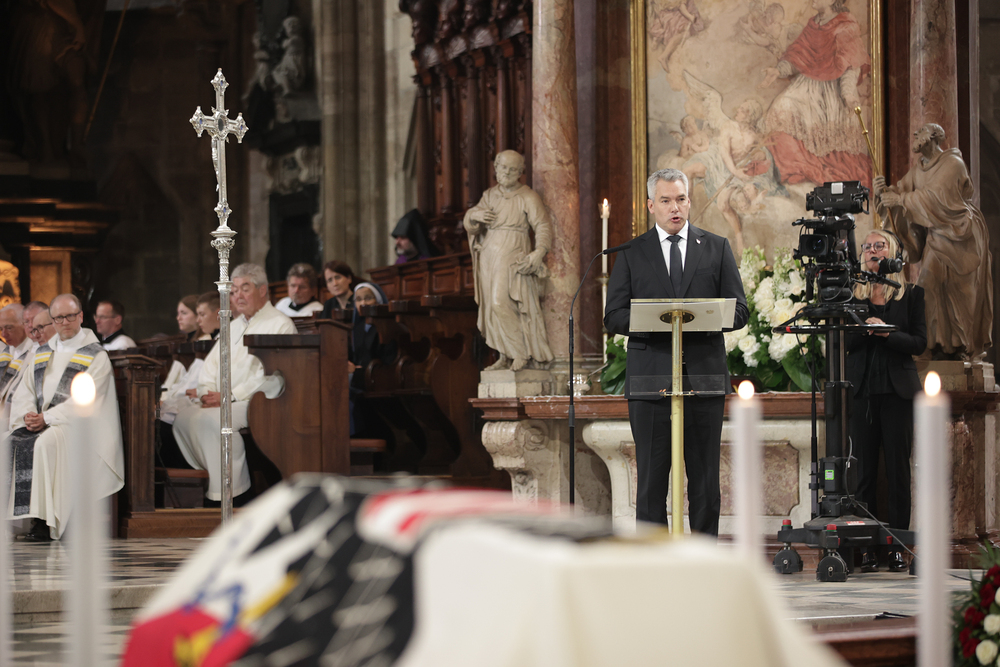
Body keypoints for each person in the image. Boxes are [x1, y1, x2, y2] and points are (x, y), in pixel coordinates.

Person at [604, 168, 749, 535]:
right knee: (651, 485)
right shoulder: (632, 252)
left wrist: (702, 318)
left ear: (689, 202)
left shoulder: (716, 247)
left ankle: (703, 559)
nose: (675, 208)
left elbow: (740, 310)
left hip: (703, 378)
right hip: (650, 381)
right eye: (666, 200)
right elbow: (614, 315)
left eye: (681, 199)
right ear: (651, 205)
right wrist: (655, 320)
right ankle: (655, 562)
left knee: (705, 483)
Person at [171, 264, 296, 506]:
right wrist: (206, 392)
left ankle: (235, 495)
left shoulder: (280, 324)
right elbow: (210, 366)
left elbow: (274, 376)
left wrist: (229, 396)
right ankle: (216, 482)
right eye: (234, 290)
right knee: (183, 417)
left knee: (216, 421)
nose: (238, 296)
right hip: (226, 399)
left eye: (245, 289)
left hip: (260, 402)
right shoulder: (233, 326)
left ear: (262, 290)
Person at [7, 294, 124, 541]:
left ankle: (45, 522)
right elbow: (25, 391)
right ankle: (18, 520)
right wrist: (28, 416)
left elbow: (88, 400)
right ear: (53, 320)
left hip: (79, 427)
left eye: (70, 316)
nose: (64, 322)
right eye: (58, 318)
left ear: (80, 316)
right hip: (44, 422)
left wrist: (47, 418)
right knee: (8, 442)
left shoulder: (95, 355)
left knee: (45, 443)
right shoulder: (43, 352)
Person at [874, 122, 993, 360]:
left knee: (960, 295)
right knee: (927, 288)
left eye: (921, 131)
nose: (915, 134)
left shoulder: (953, 164)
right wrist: (883, 192)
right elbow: (900, 192)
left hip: (961, 238)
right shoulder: (919, 169)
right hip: (937, 239)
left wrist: (901, 200)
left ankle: (960, 348)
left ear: (935, 136)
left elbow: (940, 200)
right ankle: (935, 347)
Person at [846, 230, 926, 572]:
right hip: (862, 392)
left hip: (898, 393)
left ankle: (897, 547)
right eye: (867, 247)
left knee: (897, 472)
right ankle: (865, 548)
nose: (872, 251)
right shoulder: (851, 296)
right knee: (862, 474)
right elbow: (843, 344)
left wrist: (887, 332)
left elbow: (919, 342)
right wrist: (864, 329)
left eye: (879, 246)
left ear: (893, 253)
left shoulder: (913, 295)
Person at [758, 0, 870, 186]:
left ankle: (812, 170)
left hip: (832, 93)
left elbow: (852, 66)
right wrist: (778, 71)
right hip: (806, 85)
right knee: (781, 108)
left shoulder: (846, 25)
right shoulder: (813, 24)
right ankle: (794, 168)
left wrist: (848, 94)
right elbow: (798, 56)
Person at [463, 150, 554, 371]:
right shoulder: (490, 195)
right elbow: (471, 223)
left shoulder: (527, 196)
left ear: (521, 172)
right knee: (490, 307)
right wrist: (474, 216)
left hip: (513, 251)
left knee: (501, 302)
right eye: (503, 167)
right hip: (488, 255)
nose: (507, 172)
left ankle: (520, 352)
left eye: (513, 169)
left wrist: (539, 251)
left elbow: (542, 225)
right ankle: (504, 355)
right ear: (496, 168)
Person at [0, 304, 35, 433]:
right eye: (1, 328)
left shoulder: (34, 354)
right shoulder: (5, 352)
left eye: (9, 328)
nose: (4, 334)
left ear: (25, 324)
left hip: (17, 423)